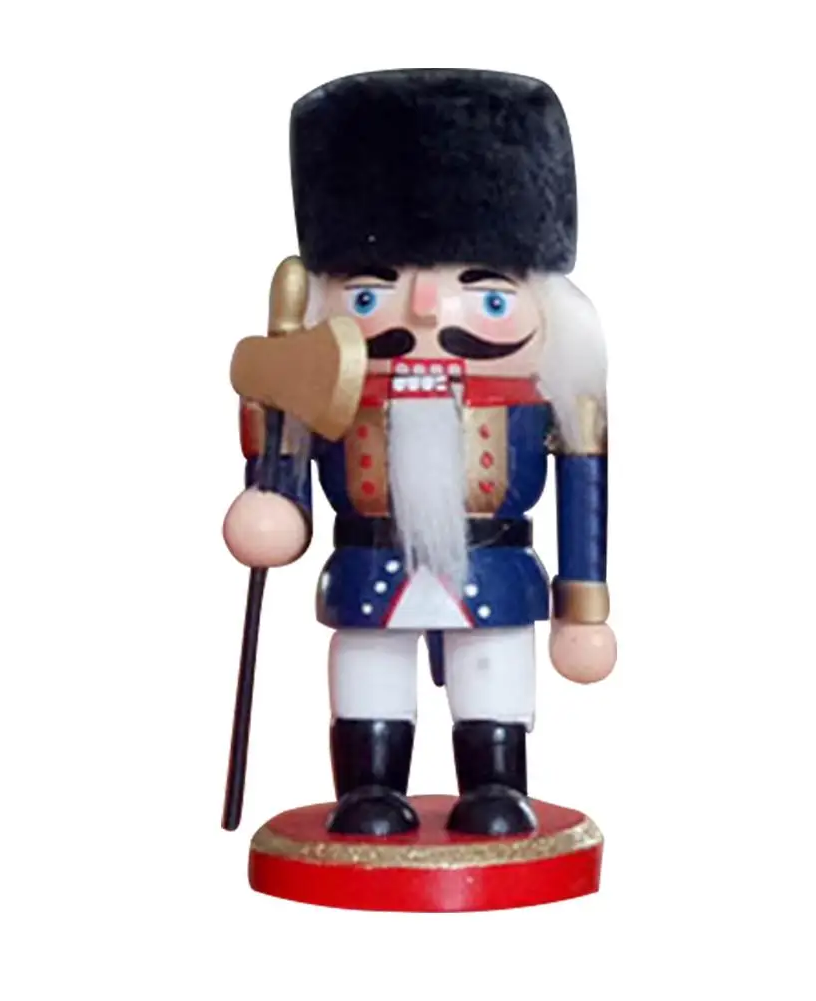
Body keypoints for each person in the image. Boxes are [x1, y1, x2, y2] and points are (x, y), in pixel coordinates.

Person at [223, 69, 616, 838]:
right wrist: (273, 499)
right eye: (370, 294)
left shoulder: (549, 401)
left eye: (488, 295)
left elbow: (583, 490)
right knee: (367, 674)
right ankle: (368, 787)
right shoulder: (325, 389)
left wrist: (584, 603)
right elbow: (285, 466)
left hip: (493, 570)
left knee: (492, 672)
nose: (427, 309)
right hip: (368, 566)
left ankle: (496, 784)